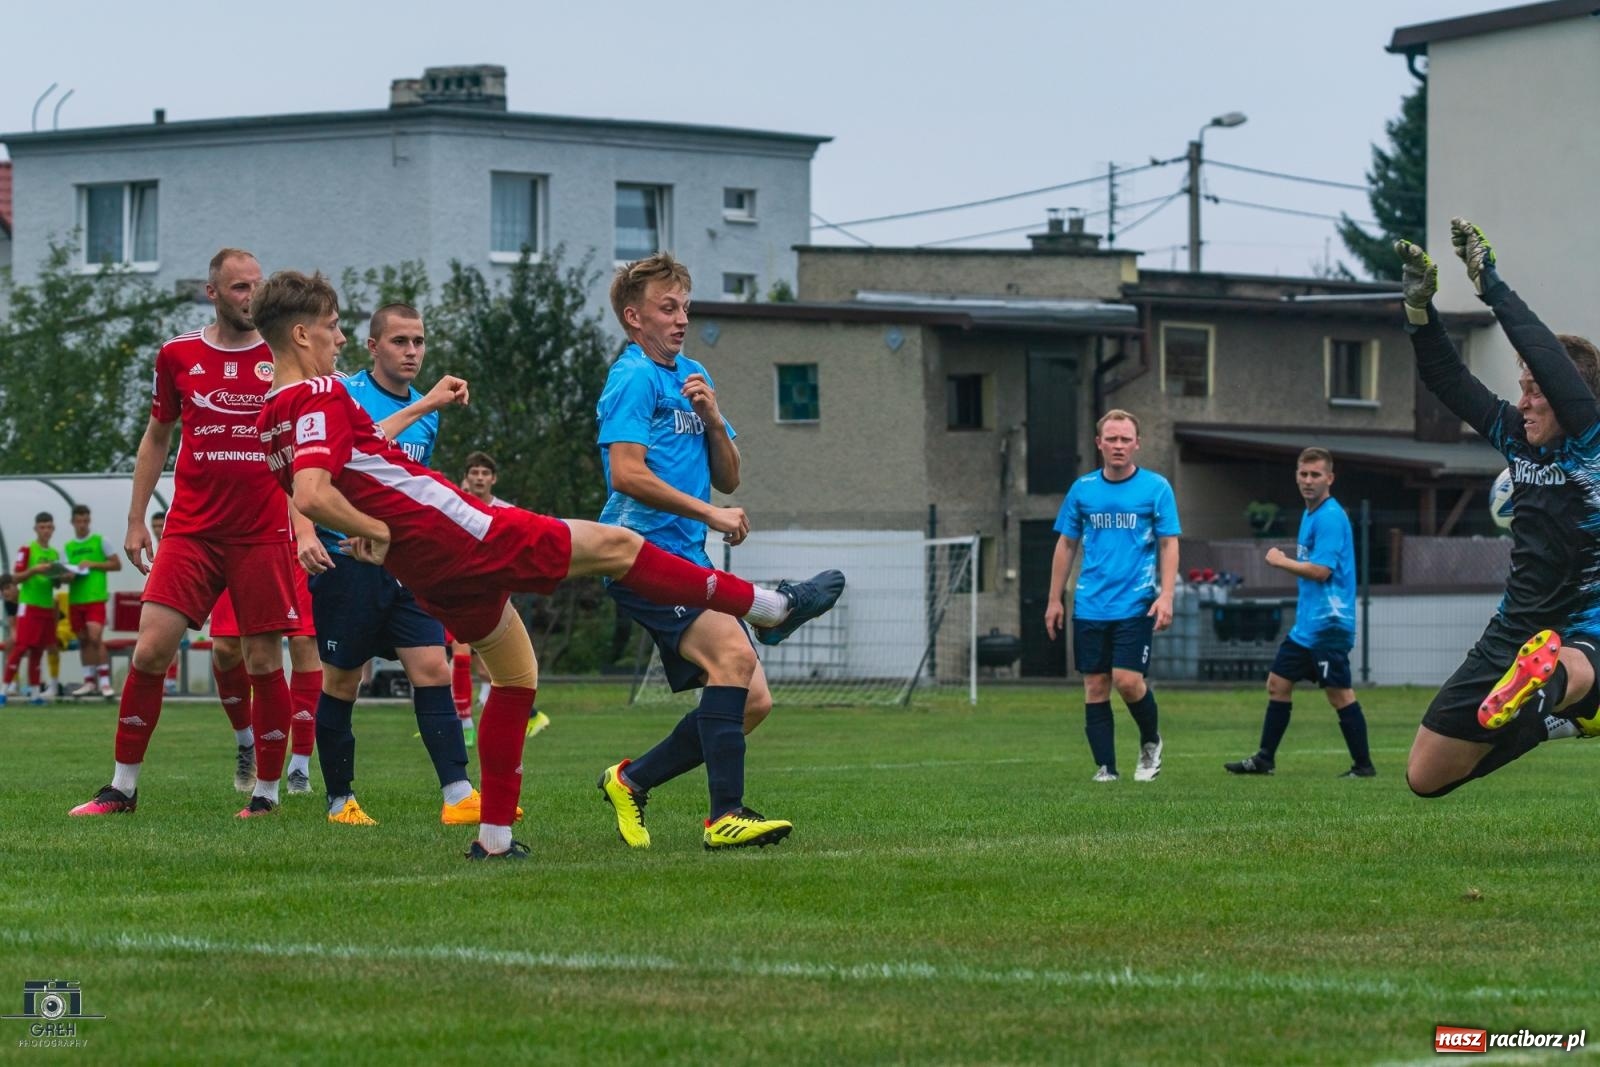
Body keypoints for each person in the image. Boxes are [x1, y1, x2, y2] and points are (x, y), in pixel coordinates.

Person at [250, 268, 844, 859]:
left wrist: (376, 517)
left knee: (514, 675)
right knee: (622, 546)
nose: (341, 340)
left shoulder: (271, 417)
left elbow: (352, 457)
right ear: (302, 336)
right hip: (458, 532)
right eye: (332, 327)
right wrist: (372, 527)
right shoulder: (319, 392)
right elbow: (312, 491)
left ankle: (496, 840)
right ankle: (772, 606)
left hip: (427, 567)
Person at [69, 247, 303, 820]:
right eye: (240, 288)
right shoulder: (178, 355)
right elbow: (157, 436)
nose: (251, 297)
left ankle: (267, 794)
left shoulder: (287, 357)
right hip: (192, 530)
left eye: (257, 286)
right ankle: (122, 788)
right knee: (149, 652)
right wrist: (134, 517)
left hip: (262, 532)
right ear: (214, 292)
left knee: (264, 661)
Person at [594, 253, 809, 852]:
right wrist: (709, 513)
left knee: (754, 701)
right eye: (669, 308)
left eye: (685, 306)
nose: (682, 318)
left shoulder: (691, 373)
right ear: (635, 318)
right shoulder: (633, 377)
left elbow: (731, 478)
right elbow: (625, 474)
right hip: (639, 554)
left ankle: (630, 780)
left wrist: (713, 418)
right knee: (735, 668)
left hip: (687, 558)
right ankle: (724, 816)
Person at [1395, 220, 1600, 798]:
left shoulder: (1592, 441)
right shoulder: (1514, 434)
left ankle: (1557, 694)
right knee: (1426, 776)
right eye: (1522, 386)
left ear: (1567, 397)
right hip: (1515, 630)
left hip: (1589, 621)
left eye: (1535, 389)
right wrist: (1418, 309)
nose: (1524, 399)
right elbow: (1446, 379)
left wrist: (1490, 283)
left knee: (1575, 660)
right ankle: (1548, 713)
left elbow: (1548, 358)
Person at [306, 303, 499, 827]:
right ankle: (339, 800)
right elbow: (352, 453)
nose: (412, 351)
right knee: (345, 681)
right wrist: (305, 532)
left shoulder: (425, 408)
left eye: (418, 341)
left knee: (433, 667)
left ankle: (459, 795)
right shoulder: (344, 393)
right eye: (399, 342)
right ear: (373, 347)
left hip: (406, 563)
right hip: (348, 562)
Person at [1044, 409, 1179, 783]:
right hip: (1090, 604)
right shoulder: (1083, 490)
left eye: (1125, 439)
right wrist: (1055, 599)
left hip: (1135, 603)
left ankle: (1151, 742)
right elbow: (1066, 544)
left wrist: (1166, 595)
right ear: (1099, 443)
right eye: (1112, 439)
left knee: (1127, 680)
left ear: (1136, 443)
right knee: (1095, 684)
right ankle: (1107, 768)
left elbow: (1169, 544)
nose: (1118, 445)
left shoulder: (1156, 488)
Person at [1224, 448, 1373, 777]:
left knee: (1339, 694)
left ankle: (1363, 766)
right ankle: (1265, 758)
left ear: (1329, 478)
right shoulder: (1311, 513)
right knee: (1278, 683)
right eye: (1303, 474)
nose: (1308, 481)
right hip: (1309, 624)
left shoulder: (1330, 517)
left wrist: (1281, 561)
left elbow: (1321, 571)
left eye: (1315, 475)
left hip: (1330, 623)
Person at [454, 451, 551, 742]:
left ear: (493, 479)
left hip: (493, 593)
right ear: (467, 477)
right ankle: (465, 724)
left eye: (485, 473)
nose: (480, 478)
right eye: (475, 473)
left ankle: (522, 717)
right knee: (465, 657)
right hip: (458, 592)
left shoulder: (505, 510)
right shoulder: (456, 504)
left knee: (486, 664)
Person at [63, 504, 122, 699]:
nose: (82, 525)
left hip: (95, 597)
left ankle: (105, 683)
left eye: (85, 521)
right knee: (83, 640)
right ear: (72, 522)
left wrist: (93, 564)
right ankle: (89, 681)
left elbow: (116, 564)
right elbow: (64, 574)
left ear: (89, 521)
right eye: (78, 521)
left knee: (95, 637)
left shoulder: (100, 541)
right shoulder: (68, 547)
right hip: (76, 599)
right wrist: (67, 576)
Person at [3, 512, 62, 706]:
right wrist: (35, 570)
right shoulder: (27, 549)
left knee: (38, 650)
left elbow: (55, 584)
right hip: (28, 606)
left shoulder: (54, 554)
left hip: (46, 606)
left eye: (49, 527)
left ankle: (35, 694)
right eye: (42, 527)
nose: (46, 531)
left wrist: (61, 577)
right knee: (20, 647)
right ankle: (4, 689)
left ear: (53, 529)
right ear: (36, 529)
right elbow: (16, 577)